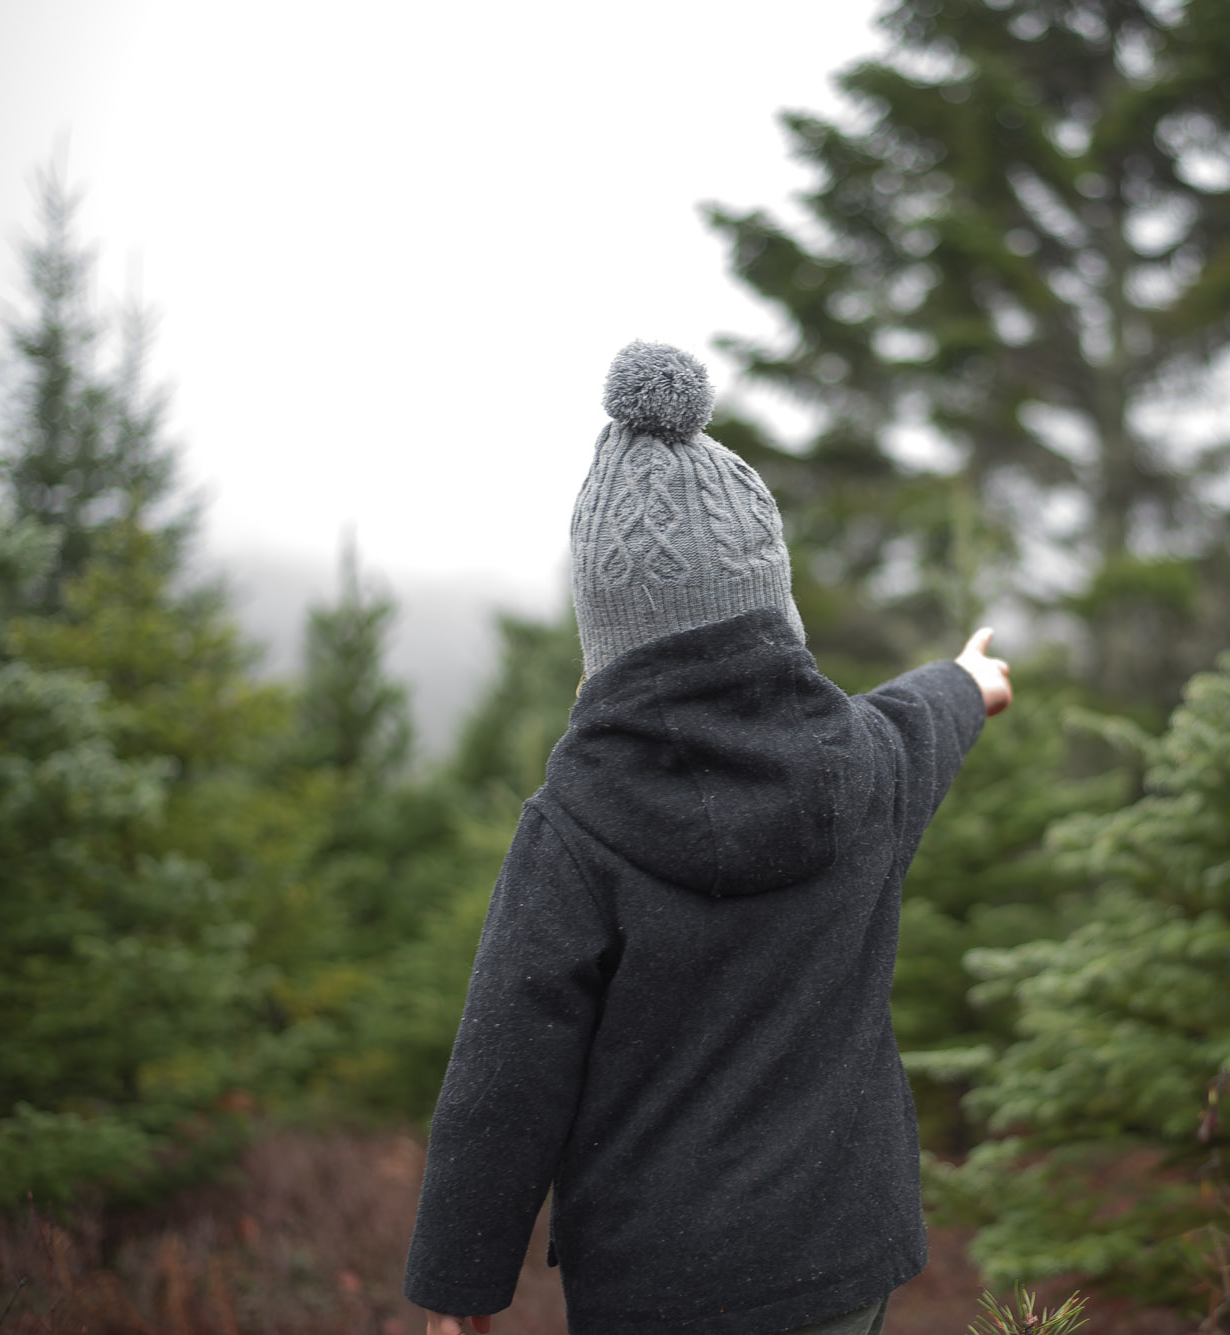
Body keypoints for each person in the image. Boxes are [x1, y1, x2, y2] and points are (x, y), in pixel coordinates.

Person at [404, 342, 1011, 1335]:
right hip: (839, 1257)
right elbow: (920, 721)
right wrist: (966, 683)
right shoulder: (862, 767)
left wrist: (459, 1291)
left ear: (605, 638)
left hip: (657, 1285)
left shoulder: (573, 828)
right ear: (772, 608)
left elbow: (507, 1073)